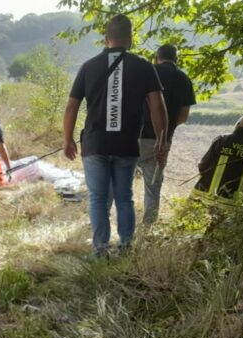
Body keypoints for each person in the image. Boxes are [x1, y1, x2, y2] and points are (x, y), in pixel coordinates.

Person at [62, 14, 168, 257]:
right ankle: (126, 247)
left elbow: (71, 107)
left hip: (95, 144)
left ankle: (100, 250)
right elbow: (157, 106)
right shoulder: (143, 66)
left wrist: (67, 139)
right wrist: (161, 140)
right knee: (124, 197)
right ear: (130, 39)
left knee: (98, 198)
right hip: (127, 144)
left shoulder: (89, 66)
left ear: (107, 39)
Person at [137, 44, 197, 224]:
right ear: (176, 59)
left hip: (133, 137)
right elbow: (183, 116)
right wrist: (166, 127)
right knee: (153, 188)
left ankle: (107, 223)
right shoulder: (185, 80)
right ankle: (148, 228)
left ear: (157, 58)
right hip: (161, 142)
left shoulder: (147, 73)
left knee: (118, 181)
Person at [192, 114, 243, 208]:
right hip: (231, 204)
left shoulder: (222, 140)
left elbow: (203, 165)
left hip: (202, 195)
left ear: (238, 124)